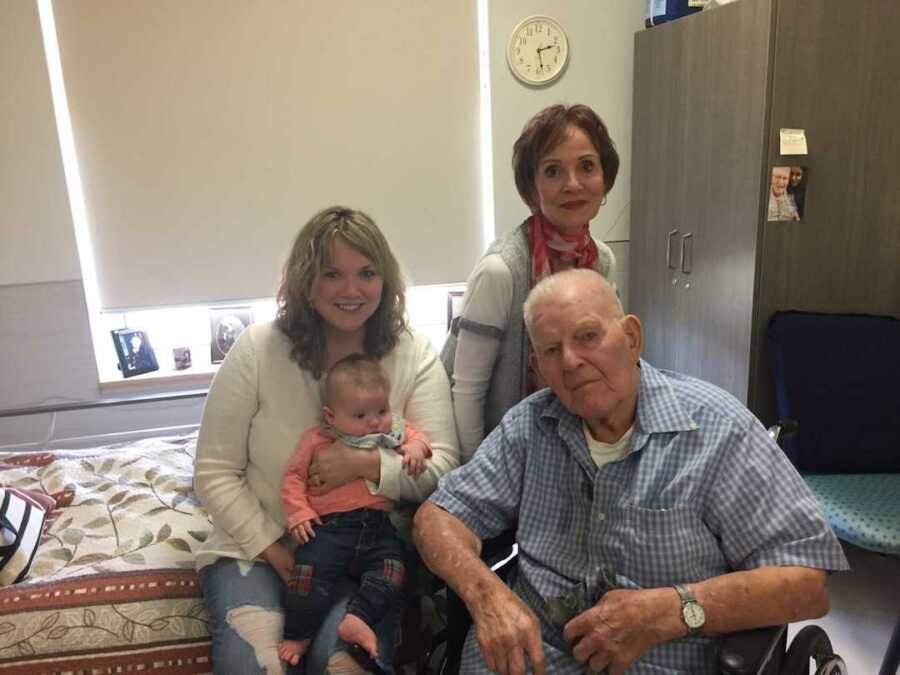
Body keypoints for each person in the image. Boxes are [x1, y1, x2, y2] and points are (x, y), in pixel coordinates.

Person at [414, 268, 849, 674]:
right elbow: (437, 518)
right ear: (538, 369)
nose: (570, 362)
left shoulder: (718, 429)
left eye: (588, 336)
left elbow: (806, 582)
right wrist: (486, 595)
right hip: (527, 658)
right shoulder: (530, 425)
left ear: (631, 338)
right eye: (551, 350)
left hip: (659, 659)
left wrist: (671, 610)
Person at [194, 206, 459, 674]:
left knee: (341, 665)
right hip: (253, 547)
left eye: (367, 273)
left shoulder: (413, 353)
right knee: (254, 667)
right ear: (304, 281)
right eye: (331, 274)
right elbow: (214, 472)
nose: (351, 290)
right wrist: (276, 551)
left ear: (387, 279)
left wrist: (365, 467)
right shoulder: (257, 348)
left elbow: (444, 471)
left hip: (363, 556)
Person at [442, 104, 619, 464]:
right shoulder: (501, 271)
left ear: (605, 179)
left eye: (586, 166)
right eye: (553, 171)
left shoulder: (603, 262)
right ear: (531, 187)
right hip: (503, 454)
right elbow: (467, 392)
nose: (572, 184)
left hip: (570, 447)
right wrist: (479, 478)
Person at [278, 354, 431, 669]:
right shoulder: (318, 439)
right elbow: (293, 478)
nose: (374, 422)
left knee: (393, 572)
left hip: (378, 528)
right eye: (360, 414)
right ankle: (299, 635)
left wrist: (416, 449)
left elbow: (418, 438)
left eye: (381, 410)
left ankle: (357, 618)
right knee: (305, 578)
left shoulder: (391, 433)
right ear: (331, 416)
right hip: (327, 529)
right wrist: (299, 513)